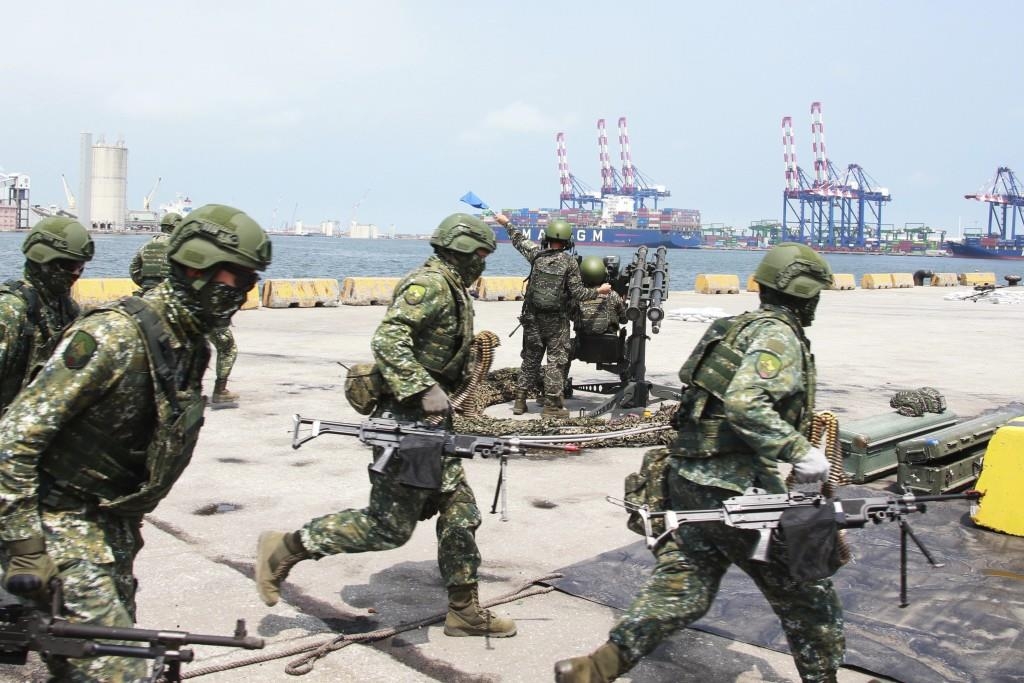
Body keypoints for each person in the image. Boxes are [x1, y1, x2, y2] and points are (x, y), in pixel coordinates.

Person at [0, 204, 271, 682]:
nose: (242, 294)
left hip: (113, 525)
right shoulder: (113, 335)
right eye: (238, 280)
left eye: (251, 283)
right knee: (119, 670)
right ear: (196, 266)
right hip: (61, 523)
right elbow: (15, 440)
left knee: (105, 654)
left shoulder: (190, 346)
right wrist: (25, 545)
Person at [554, 242, 841, 683]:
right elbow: (747, 403)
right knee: (809, 599)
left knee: (685, 585)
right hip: (737, 486)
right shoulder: (777, 336)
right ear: (807, 294)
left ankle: (597, 667)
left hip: (688, 475)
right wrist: (800, 452)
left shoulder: (735, 329)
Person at [255, 213, 518, 638]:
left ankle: (464, 609)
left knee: (460, 512)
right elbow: (388, 339)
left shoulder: (451, 285)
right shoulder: (429, 284)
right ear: (464, 250)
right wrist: (422, 388)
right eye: (482, 254)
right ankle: (286, 547)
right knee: (388, 528)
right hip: (408, 423)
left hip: (433, 423)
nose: (484, 263)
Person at [496, 216, 611, 418]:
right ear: (568, 242)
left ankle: (520, 402)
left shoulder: (536, 255)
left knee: (530, 360)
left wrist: (506, 223)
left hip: (532, 320)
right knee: (555, 362)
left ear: (546, 238)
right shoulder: (570, 262)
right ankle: (551, 406)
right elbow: (579, 294)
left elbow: (518, 240)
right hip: (557, 323)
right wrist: (599, 292)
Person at [128, 211, 242, 406]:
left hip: (147, 303)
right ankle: (220, 390)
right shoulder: (181, 248)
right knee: (227, 347)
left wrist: (150, 287)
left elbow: (135, 272)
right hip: (180, 306)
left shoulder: (146, 247)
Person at [1, 217, 94, 413]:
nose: (76, 274)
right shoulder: (11, 312)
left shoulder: (66, 309)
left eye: (81, 267)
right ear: (45, 261)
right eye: (70, 267)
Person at [572, 255, 626, 337]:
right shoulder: (613, 295)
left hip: (583, 345)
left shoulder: (578, 296)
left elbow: (572, 317)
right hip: (609, 345)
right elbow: (624, 320)